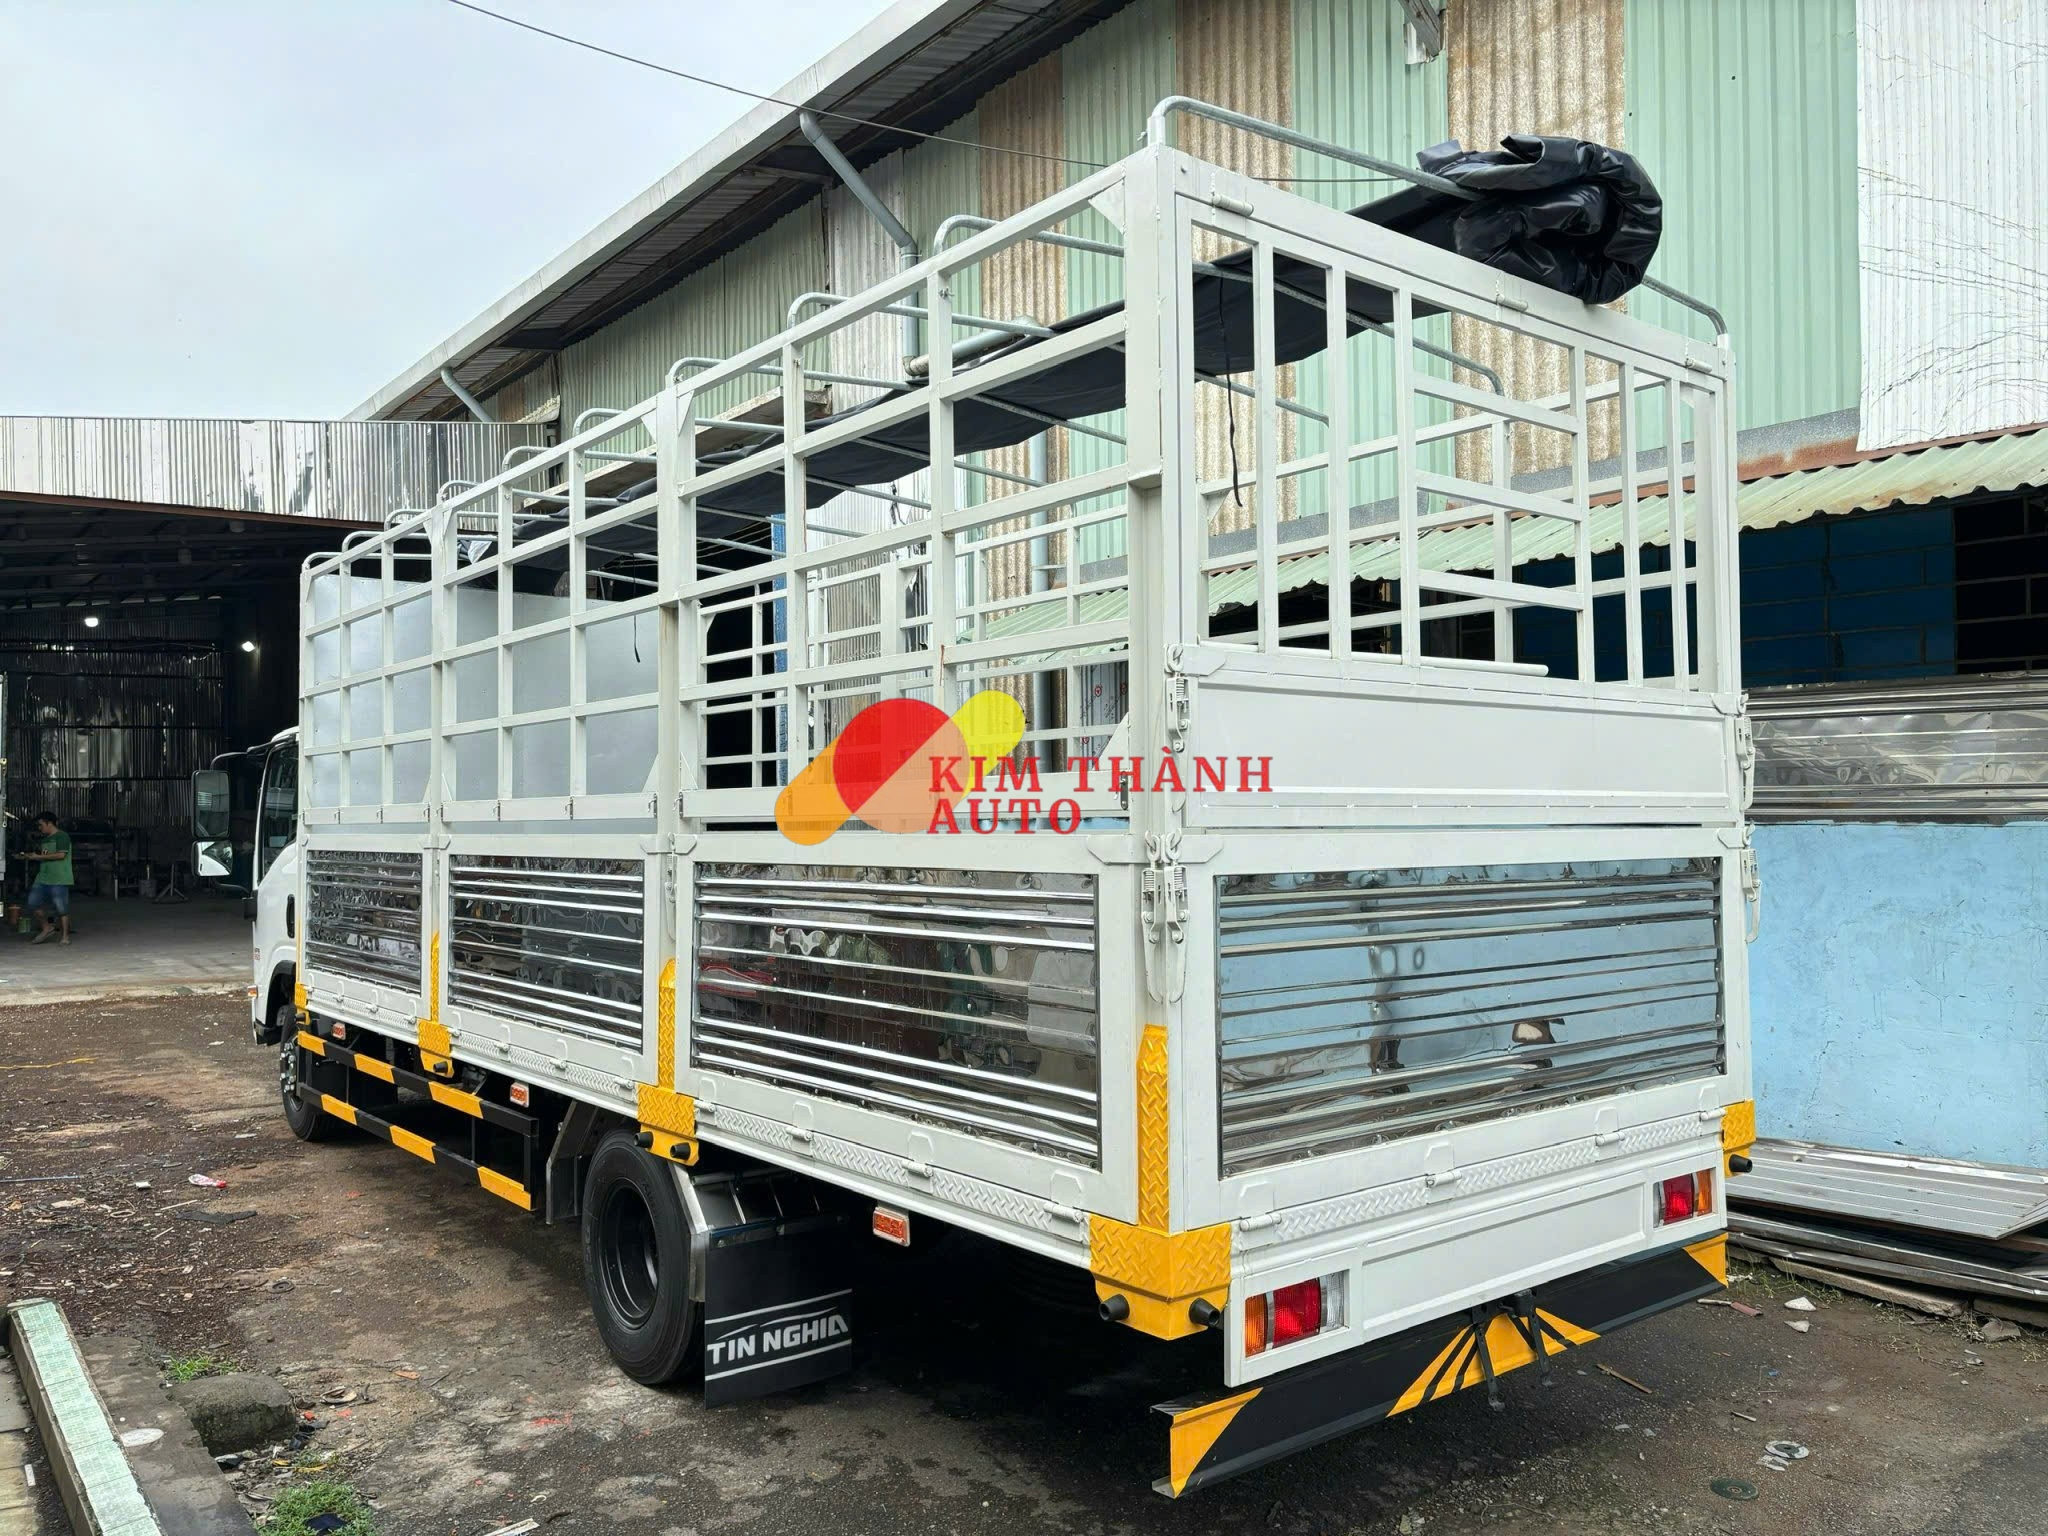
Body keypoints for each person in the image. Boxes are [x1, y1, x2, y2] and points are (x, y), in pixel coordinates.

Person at [23, 811, 73, 946]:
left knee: (61, 908)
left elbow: (61, 855)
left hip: (59, 877)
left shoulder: (62, 836)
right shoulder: (45, 840)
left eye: (41, 825)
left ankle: (65, 937)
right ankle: (47, 927)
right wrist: (32, 856)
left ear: (49, 823)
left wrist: (38, 857)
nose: (39, 828)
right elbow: (46, 857)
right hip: (43, 877)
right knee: (32, 903)